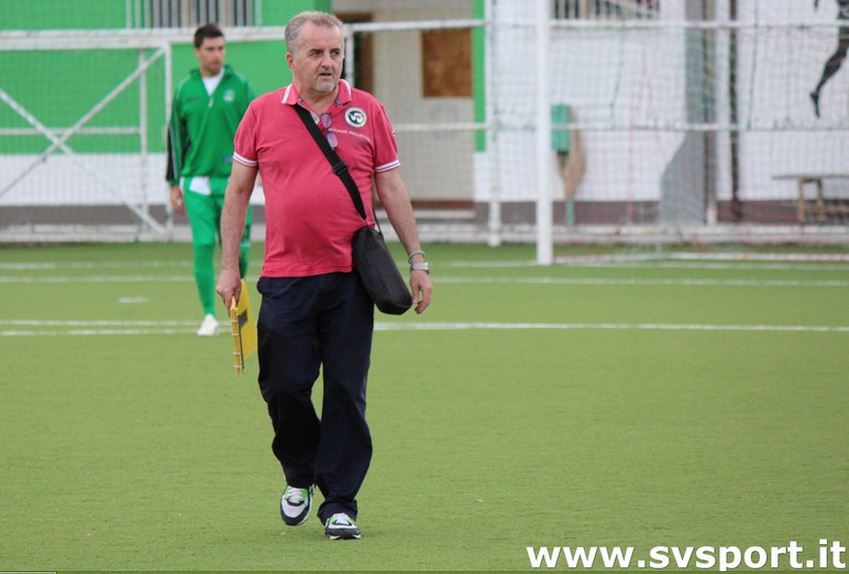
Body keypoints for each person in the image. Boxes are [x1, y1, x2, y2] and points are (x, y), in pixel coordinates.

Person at [215, 11, 432, 540]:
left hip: (351, 280)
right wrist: (228, 267)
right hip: (285, 277)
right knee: (283, 387)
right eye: (316, 53)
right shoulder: (262, 113)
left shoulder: (368, 110)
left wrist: (417, 259)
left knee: (346, 393)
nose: (328, 63)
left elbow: (391, 187)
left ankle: (340, 502)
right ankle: (300, 473)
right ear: (291, 59)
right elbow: (238, 190)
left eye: (335, 53)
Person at [166, 23, 254, 336]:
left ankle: (238, 310)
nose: (217, 54)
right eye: (210, 49)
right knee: (203, 244)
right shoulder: (184, 90)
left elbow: (257, 132)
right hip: (197, 183)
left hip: (235, 182)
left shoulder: (240, 86)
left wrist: (261, 172)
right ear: (197, 52)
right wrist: (173, 182)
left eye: (221, 48)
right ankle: (208, 315)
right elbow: (175, 139)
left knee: (240, 250)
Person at [810, 0, 849, 117]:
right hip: (845, 19)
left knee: (841, 53)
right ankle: (817, 90)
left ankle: (817, 90)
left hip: (845, 17)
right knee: (841, 53)